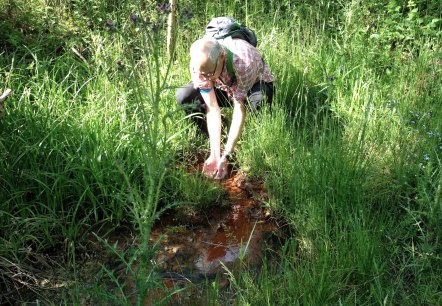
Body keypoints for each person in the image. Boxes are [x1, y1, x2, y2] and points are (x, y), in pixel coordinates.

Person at [176, 37, 275, 179]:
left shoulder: (245, 62)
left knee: (258, 103)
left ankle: (250, 137)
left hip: (254, 84)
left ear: (222, 56)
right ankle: (220, 134)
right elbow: (212, 107)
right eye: (201, 74)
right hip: (223, 86)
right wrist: (215, 154)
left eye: (208, 74)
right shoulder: (200, 64)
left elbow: (239, 107)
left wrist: (227, 154)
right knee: (184, 95)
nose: (204, 78)